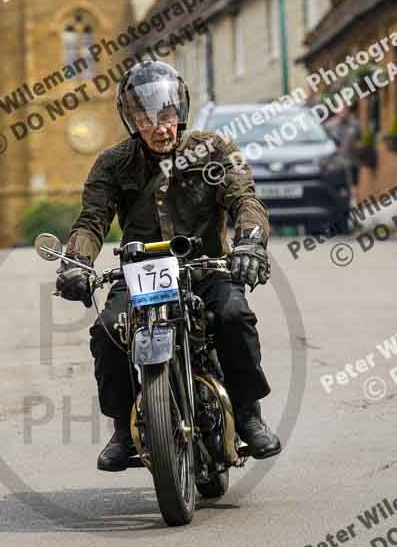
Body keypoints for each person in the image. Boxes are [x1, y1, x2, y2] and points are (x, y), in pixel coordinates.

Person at [56, 61, 281, 471]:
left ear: (181, 110)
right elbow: (91, 221)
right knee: (108, 330)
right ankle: (124, 431)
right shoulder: (112, 164)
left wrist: (250, 244)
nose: (160, 127)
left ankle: (248, 414)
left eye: (167, 114)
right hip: (141, 272)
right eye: (146, 118)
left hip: (207, 268)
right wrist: (76, 263)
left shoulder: (214, 149)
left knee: (233, 315)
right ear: (130, 120)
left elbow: (245, 200)